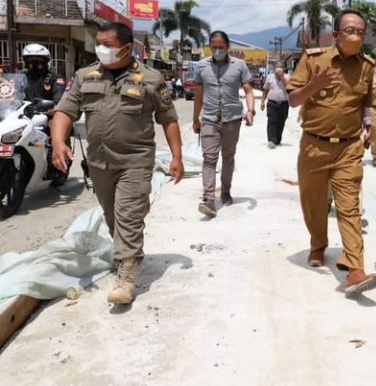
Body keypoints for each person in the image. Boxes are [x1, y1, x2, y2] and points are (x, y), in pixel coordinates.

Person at [50, 21, 184, 305]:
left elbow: (169, 118)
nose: (101, 49)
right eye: (98, 43)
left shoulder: (150, 78)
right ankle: (130, 252)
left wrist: (177, 156)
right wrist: (58, 141)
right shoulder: (85, 76)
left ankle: (125, 274)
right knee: (112, 217)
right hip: (99, 163)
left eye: (107, 45)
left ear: (126, 47)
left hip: (135, 161)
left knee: (128, 215)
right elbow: (65, 110)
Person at [287, 9, 376, 295]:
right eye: (349, 30)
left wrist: (368, 123)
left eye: (360, 32)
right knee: (313, 203)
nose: (355, 36)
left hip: (349, 147)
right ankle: (318, 243)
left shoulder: (366, 65)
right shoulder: (314, 60)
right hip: (314, 144)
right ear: (336, 33)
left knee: (349, 206)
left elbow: (366, 100)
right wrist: (315, 85)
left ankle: (355, 269)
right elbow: (292, 99)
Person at [193, 30, 255, 217]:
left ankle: (226, 191)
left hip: (232, 120)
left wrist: (250, 110)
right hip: (210, 119)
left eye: (221, 46)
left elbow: (249, 90)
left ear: (227, 46)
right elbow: (198, 95)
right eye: (214, 46)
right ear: (209, 46)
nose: (217, 49)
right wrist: (196, 118)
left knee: (228, 157)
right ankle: (209, 199)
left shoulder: (240, 66)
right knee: (209, 158)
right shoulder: (202, 66)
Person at [261, 62, 290, 148]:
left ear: (283, 68)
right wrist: (263, 101)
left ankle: (277, 139)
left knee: (281, 122)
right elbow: (265, 90)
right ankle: (271, 140)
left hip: (284, 103)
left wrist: (282, 78)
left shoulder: (287, 77)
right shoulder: (269, 77)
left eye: (280, 67)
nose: (279, 68)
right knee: (272, 120)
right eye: (277, 67)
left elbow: (289, 87)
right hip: (272, 103)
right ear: (274, 68)